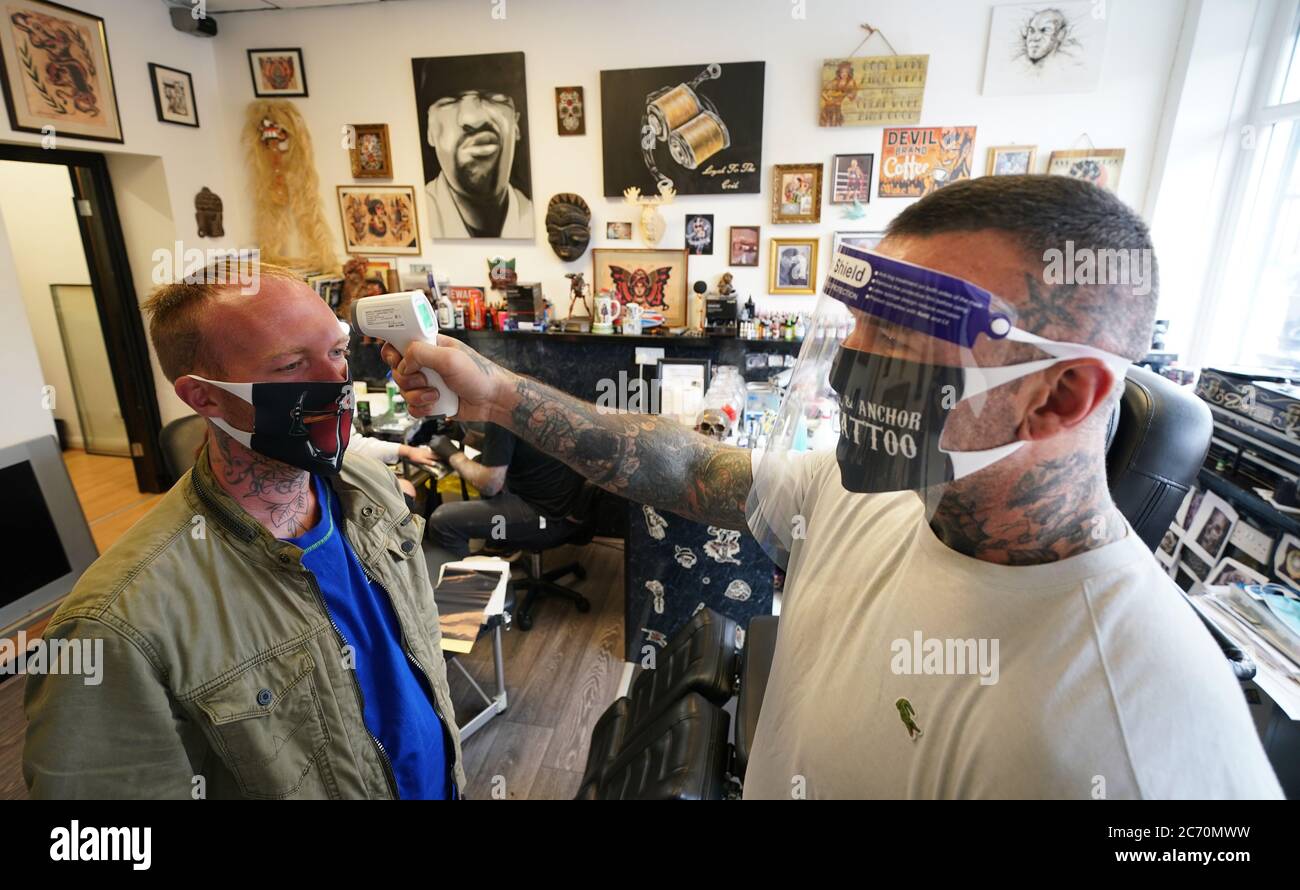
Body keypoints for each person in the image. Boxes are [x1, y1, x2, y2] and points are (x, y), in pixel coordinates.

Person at [383, 175, 1283, 799]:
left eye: (897, 351)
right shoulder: (882, 491)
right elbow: (684, 466)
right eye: (854, 336)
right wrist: (497, 390)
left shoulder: (1137, 737)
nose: (848, 379)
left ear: (1059, 394)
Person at [24, 260, 465, 799]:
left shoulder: (367, 483)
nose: (336, 383)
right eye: (290, 365)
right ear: (204, 396)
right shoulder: (117, 624)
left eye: (337, 351)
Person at [425, 422, 588, 559]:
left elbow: (490, 486)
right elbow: (513, 448)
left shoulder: (501, 418)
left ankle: (471, 591)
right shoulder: (533, 405)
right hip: (567, 506)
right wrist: (463, 436)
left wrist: (452, 454)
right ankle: (500, 544)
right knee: (482, 462)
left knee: (443, 522)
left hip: (548, 519)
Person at [423, 88, 533, 238]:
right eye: (449, 100)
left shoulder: (535, 216)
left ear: (516, 124)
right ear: (430, 132)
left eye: (495, 96)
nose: (474, 119)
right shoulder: (413, 217)